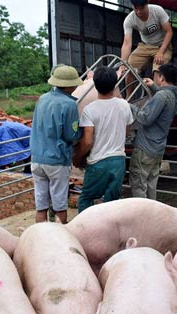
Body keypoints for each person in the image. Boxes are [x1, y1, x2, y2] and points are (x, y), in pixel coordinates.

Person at [75, 67, 134, 212]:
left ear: (94, 84)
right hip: (118, 161)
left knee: (87, 198)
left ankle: (83, 232)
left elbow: (88, 141)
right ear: (115, 84)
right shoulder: (124, 105)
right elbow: (126, 132)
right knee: (112, 203)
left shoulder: (90, 110)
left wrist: (77, 157)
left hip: (98, 162)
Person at [30, 65, 82, 223]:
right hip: (57, 161)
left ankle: (40, 236)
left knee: (41, 205)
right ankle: (61, 238)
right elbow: (70, 135)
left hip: (37, 159)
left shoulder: (42, 98)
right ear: (68, 85)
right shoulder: (69, 104)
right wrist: (82, 133)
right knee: (60, 204)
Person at [129, 63, 177, 199]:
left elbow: (145, 118)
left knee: (139, 183)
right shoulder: (175, 95)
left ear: (162, 78)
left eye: (157, 76)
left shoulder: (161, 96)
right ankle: (152, 215)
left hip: (145, 147)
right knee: (151, 183)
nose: (156, 78)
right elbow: (163, 96)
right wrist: (153, 86)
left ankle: (141, 216)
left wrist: (129, 106)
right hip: (158, 147)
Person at [121, 0, 173, 95]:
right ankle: (129, 100)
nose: (139, 12)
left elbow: (169, 32)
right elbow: (127, 43)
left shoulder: (157, 11)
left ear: (147, 3)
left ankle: (157, 99)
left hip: (162, 46)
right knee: (129, 68)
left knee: (158, 69)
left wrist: (161, 52)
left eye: (142, 8)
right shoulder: (129, 20)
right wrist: (123, 64)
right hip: (145, 46)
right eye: (136, 8)